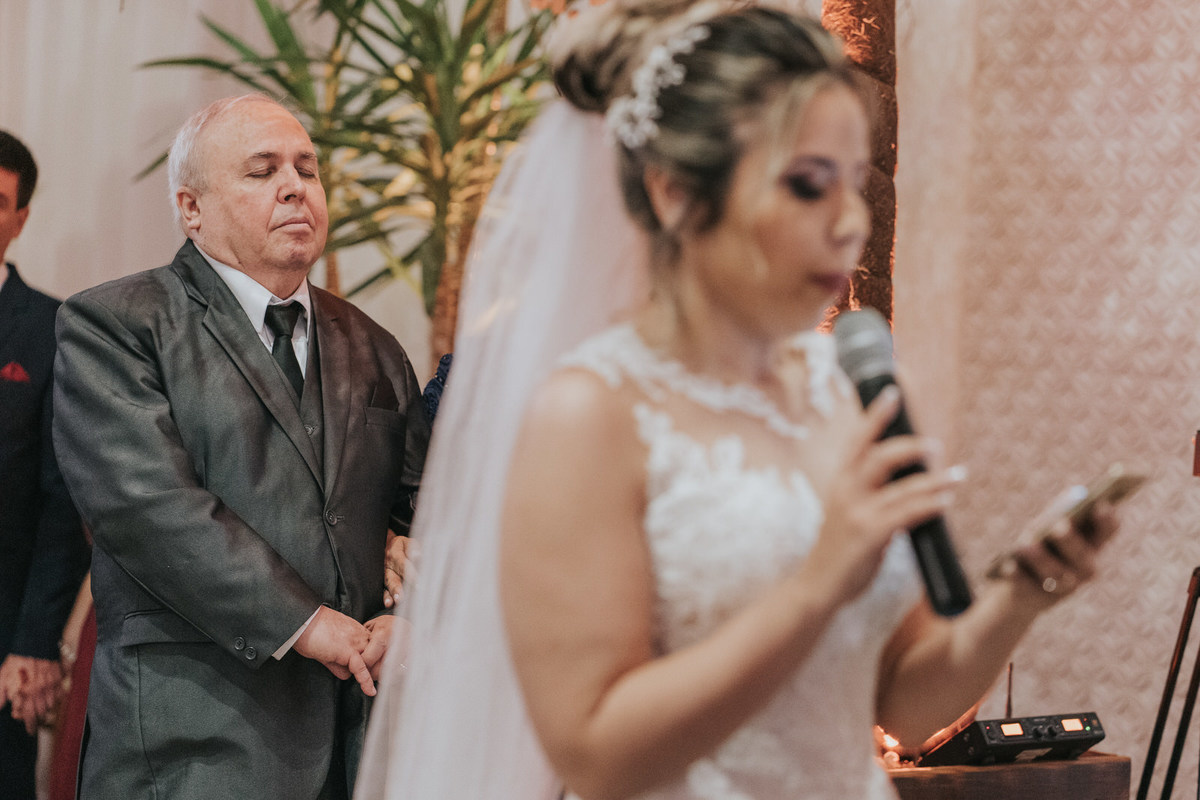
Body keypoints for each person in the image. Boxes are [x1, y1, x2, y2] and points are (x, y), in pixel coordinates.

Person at [354, 5, 1121, 800]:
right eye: (808, 184)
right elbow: (596, 753)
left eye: (855, 182)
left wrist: (1018, 598)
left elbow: (904, 703)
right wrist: (815, 586)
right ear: (676, 192)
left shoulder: (839, 389)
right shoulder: (590, 410)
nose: (850, 221)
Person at [53, 94, 430, 800]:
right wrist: (304, 623)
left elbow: (420, 515)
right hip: (194, 744)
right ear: (191, 209)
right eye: (262, 171)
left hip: (358, 743)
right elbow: (150, 511)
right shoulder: (116, 326)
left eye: (307, 169)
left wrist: (406, 613)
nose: (294, 187)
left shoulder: (375, 346)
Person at [0, 130, 90, 800]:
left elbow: (66, 504)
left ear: (20, 219)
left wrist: (35, 642)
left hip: (6, 643)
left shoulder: (53, 330)